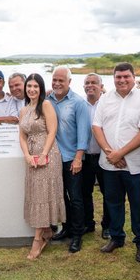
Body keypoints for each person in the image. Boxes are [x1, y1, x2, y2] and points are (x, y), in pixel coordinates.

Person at [93, 62, 140, 262]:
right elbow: (97, 127)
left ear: (134, 77)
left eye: (126, 76)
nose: (122, 80)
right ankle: (116, 237)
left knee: (138, 204)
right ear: (114, 78)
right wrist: (110, 153)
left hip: (134, 165)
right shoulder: (105, 99)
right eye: (118, 77)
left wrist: (120, 153)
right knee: (113, 202)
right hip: (109, 162)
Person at [19, 73, 65, 259]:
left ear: (41, 89)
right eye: (29, 86)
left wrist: (43, 154)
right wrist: (27, 156)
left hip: (48, 155)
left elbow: (52, 130)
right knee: (36, 194)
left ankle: (38, 240)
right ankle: (45, 231)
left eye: (35, 87)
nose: (32, 90)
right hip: (31, 156)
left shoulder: (45, 105)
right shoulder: (23, 110)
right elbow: (22, 136)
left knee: (44, 193)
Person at [48, 66, 91, 253]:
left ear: (69, 82)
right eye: (54, 80)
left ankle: (77, 235)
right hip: (54, 158)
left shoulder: (78, 103)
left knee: (75, 198)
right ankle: (65, 228)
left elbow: (84, 133)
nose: (57, 83)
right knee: (61, 197)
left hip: (72, 158)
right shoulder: (47, 100)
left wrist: (78, 158)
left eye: (61, 80)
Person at [82, 73, 111, 239]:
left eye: (94, 83)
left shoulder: (107, 104)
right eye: (87, 83)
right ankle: (88, 223)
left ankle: (107, 226)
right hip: (85, 156)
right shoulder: (80, 104)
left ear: (101, 86)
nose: (90, 85)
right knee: (85, 192)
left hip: (103, 155)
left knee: (107, 193)